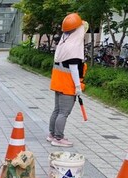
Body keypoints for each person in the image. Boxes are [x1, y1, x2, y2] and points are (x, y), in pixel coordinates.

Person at [47, 13, 88, 148]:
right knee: (63, 112)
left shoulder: (64, 44)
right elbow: (74, 69)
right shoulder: (74, 47)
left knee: (57, 110)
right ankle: (58, 138)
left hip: (58, 83)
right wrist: (78, 87)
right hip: (67, 85)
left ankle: (52, 134)